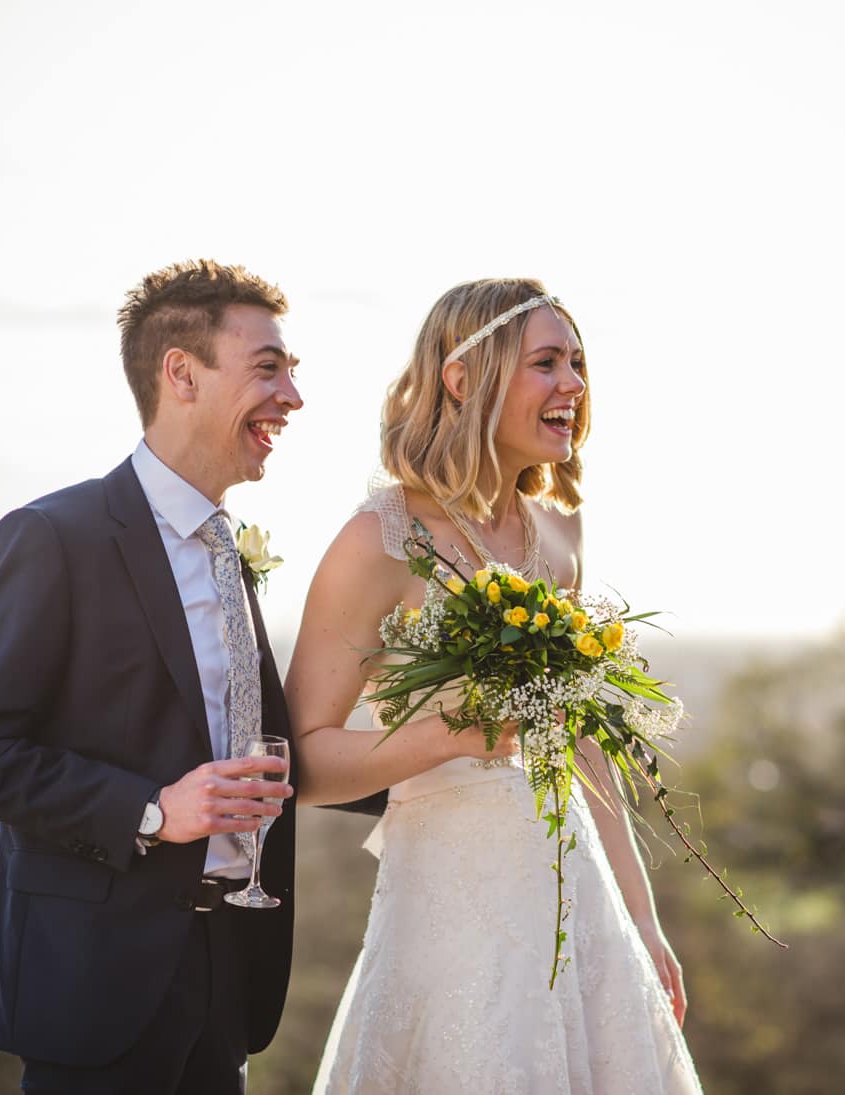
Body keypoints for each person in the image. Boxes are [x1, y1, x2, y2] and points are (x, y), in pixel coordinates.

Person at [286, 278, 702, 1094]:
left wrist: (641, 918)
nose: (574, 386)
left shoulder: (559, 534)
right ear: (463, 378)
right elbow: (301, 758)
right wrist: (447, 738)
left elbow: (579, 741)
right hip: (444, 913)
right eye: (546, 363)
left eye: (577, 363)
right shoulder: (380, 540)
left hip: (573, 904)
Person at [0, 260, 339, 1093]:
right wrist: (155, 809)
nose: (293, 395)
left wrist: (454, 757)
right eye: (269, 366)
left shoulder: (230, 547)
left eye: (292, 370)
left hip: (228, 979)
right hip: (97, 989)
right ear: (182, 374)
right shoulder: (52, 536)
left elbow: (265, 745)